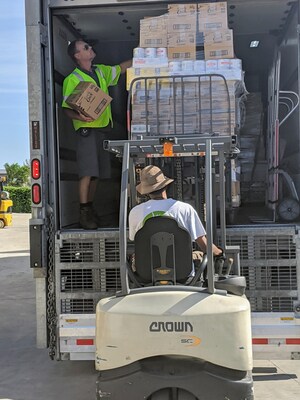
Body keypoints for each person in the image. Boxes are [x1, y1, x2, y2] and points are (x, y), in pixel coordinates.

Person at [62, 39, 132, 229]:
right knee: (87, 172)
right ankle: (84, 212)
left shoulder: (100, 71)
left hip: (102, 130)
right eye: (86, 47)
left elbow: (121, 68)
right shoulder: (73, 79)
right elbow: (66, 108)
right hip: (87, 131)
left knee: (97, 175)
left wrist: (142, 58)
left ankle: (90, 208)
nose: (90, 48)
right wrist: (78, 116)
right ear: (77, 56)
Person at [129, 165, 224, 260]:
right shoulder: (185, 209)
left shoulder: (135, 212)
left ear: (145, 191)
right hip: (182, 272)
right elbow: (203, 245)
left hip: (146, 271)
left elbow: (136, 240)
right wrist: (219, 253)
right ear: (165, 185)